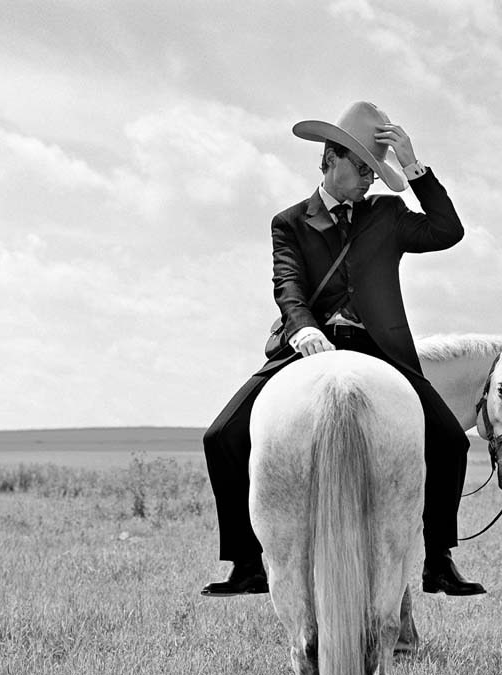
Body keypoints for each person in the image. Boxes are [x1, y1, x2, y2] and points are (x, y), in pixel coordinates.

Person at [201, 101, 484, 597]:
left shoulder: (389, 214)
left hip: (382, 351)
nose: (374, 179)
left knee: (450, 441)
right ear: (331, 160)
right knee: (221, 436)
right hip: (310, 346)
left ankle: (438, 560)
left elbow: (448, 231)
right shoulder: (288, 222)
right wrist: (303, 329)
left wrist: (413, 165)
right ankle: (248, 562)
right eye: (365, 169)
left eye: (378, 170)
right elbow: (287, 285)